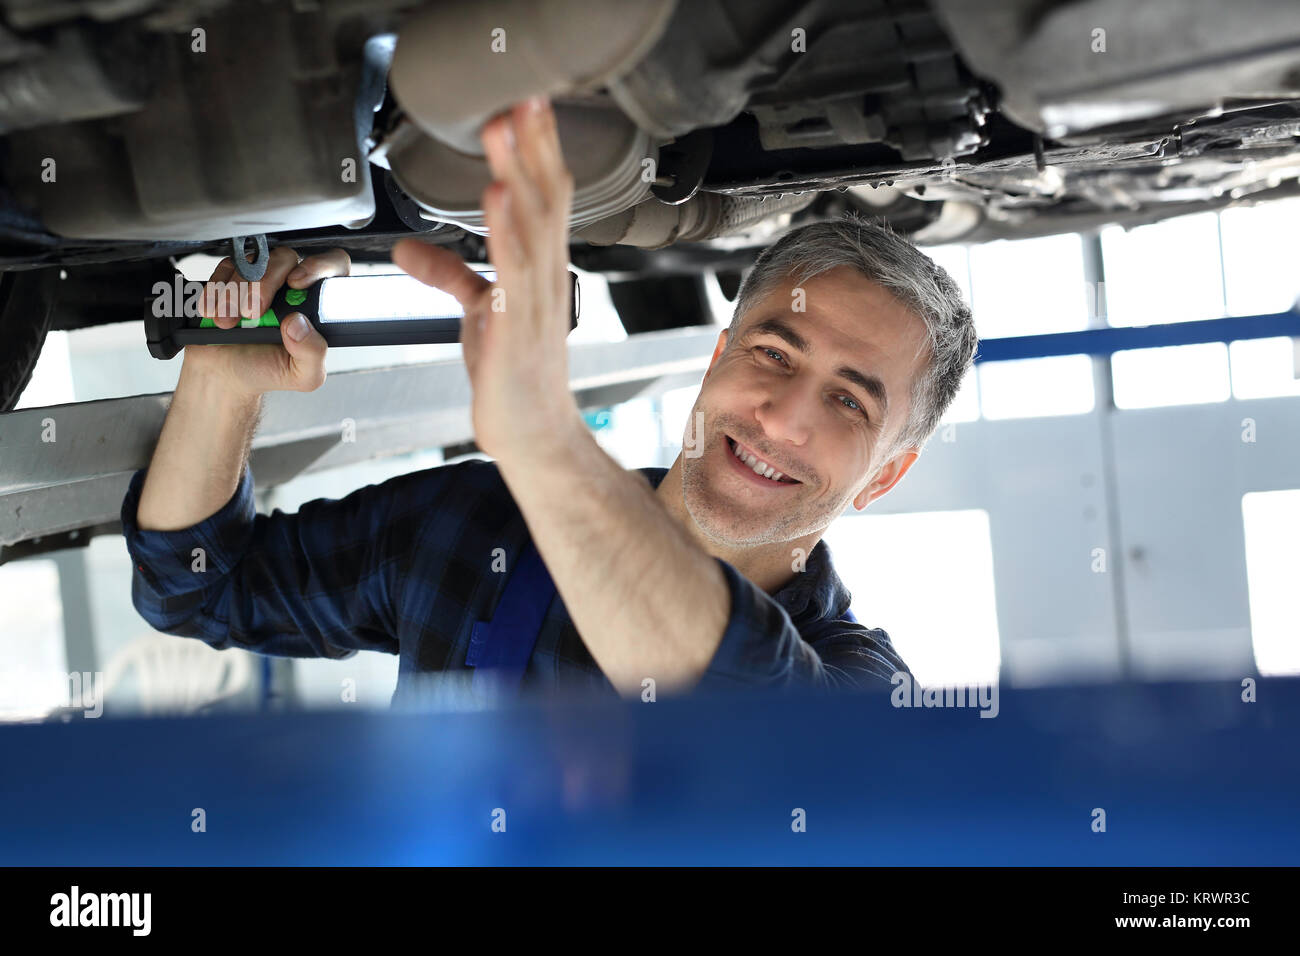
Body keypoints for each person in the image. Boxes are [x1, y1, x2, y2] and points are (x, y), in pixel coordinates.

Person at [121, 95, 978, 702]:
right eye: (772, 352)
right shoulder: (478, 527)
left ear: (884, 477)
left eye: (851, 405)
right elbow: (203, 588)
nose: (785, 418)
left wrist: (546, 443)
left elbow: (754, 715)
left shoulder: (865, 690)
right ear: (718, 358)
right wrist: (221, 379)